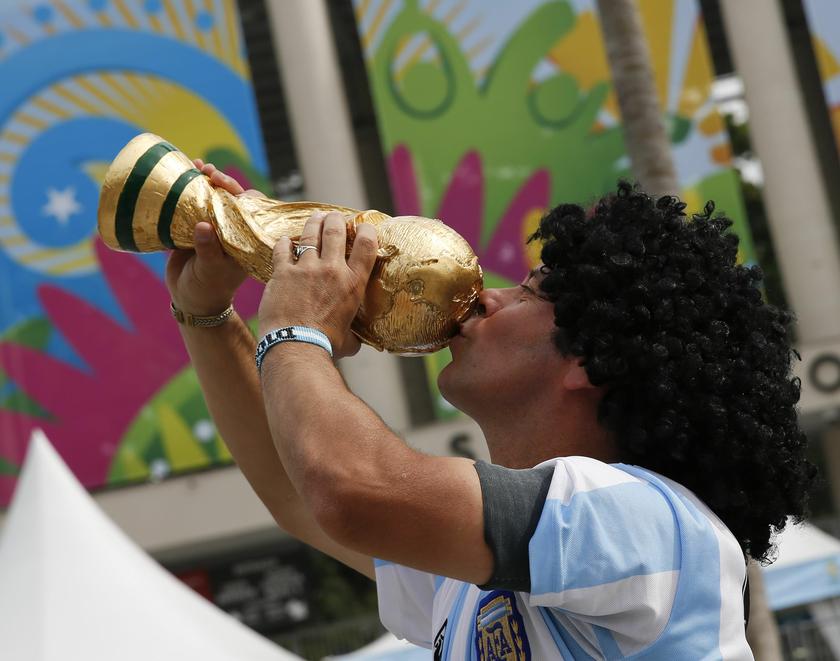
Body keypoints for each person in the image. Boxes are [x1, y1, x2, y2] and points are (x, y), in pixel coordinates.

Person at [167, 165, 814, 660]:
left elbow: (348, 490)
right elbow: (300, 494)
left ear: (589, 359)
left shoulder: (647, 521)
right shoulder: (485, 565)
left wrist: (297, 325)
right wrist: (206, 314)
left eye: (529, 292)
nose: (488, 298)